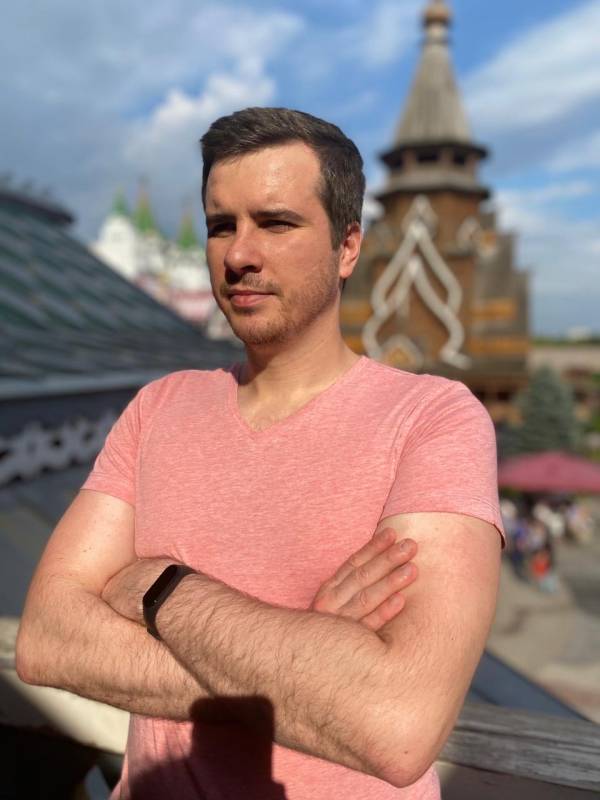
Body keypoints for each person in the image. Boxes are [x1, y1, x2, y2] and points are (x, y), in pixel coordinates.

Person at [16, 107, 503, 800]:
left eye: (276, 223)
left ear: (347, 247)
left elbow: (397, 724)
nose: (239, 254)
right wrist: (305, 671)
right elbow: (46, 639)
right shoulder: (160, 406)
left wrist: (158, 589)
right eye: (221, 225)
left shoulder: (431, 419)